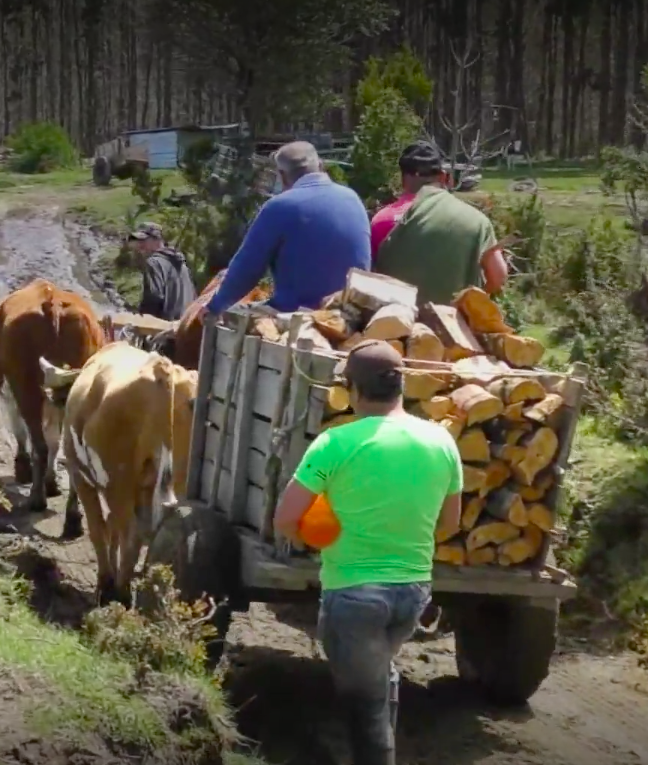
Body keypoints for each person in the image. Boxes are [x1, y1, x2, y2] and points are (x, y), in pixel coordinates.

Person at [272, 339, 463, 765]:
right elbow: (450, 524)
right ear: (402, 387)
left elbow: (285, 518)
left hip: (354, 596)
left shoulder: (335, 443)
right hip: (412, 595)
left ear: (353, 390)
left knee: (366, 711)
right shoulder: (442, 442)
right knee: (379, 680)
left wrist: (315, 535)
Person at [194, 141, 371, 320]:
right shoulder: (352, 198)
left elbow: (247, 268)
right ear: (321, 166)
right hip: (351, 313)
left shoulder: (279, 206)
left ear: (282, 176)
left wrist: (215, 306)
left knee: (227, 320)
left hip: (298, 313)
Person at [372, 141, 509, 305]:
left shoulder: (382, 221)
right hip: (454, 325)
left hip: (396, 323)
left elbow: (370, 278)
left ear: (403, 179)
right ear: (445, 177)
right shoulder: (476, 221)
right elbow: (498, 277)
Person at [128, 221, 197, 323]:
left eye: (144, 240)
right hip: (184, 329)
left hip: (163, 330)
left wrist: (143, 323)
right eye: (138, 241)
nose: (140, 244)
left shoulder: (154, 263)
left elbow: (153, 297)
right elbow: (193, 297)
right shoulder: (183, 266)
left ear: (157, 240)